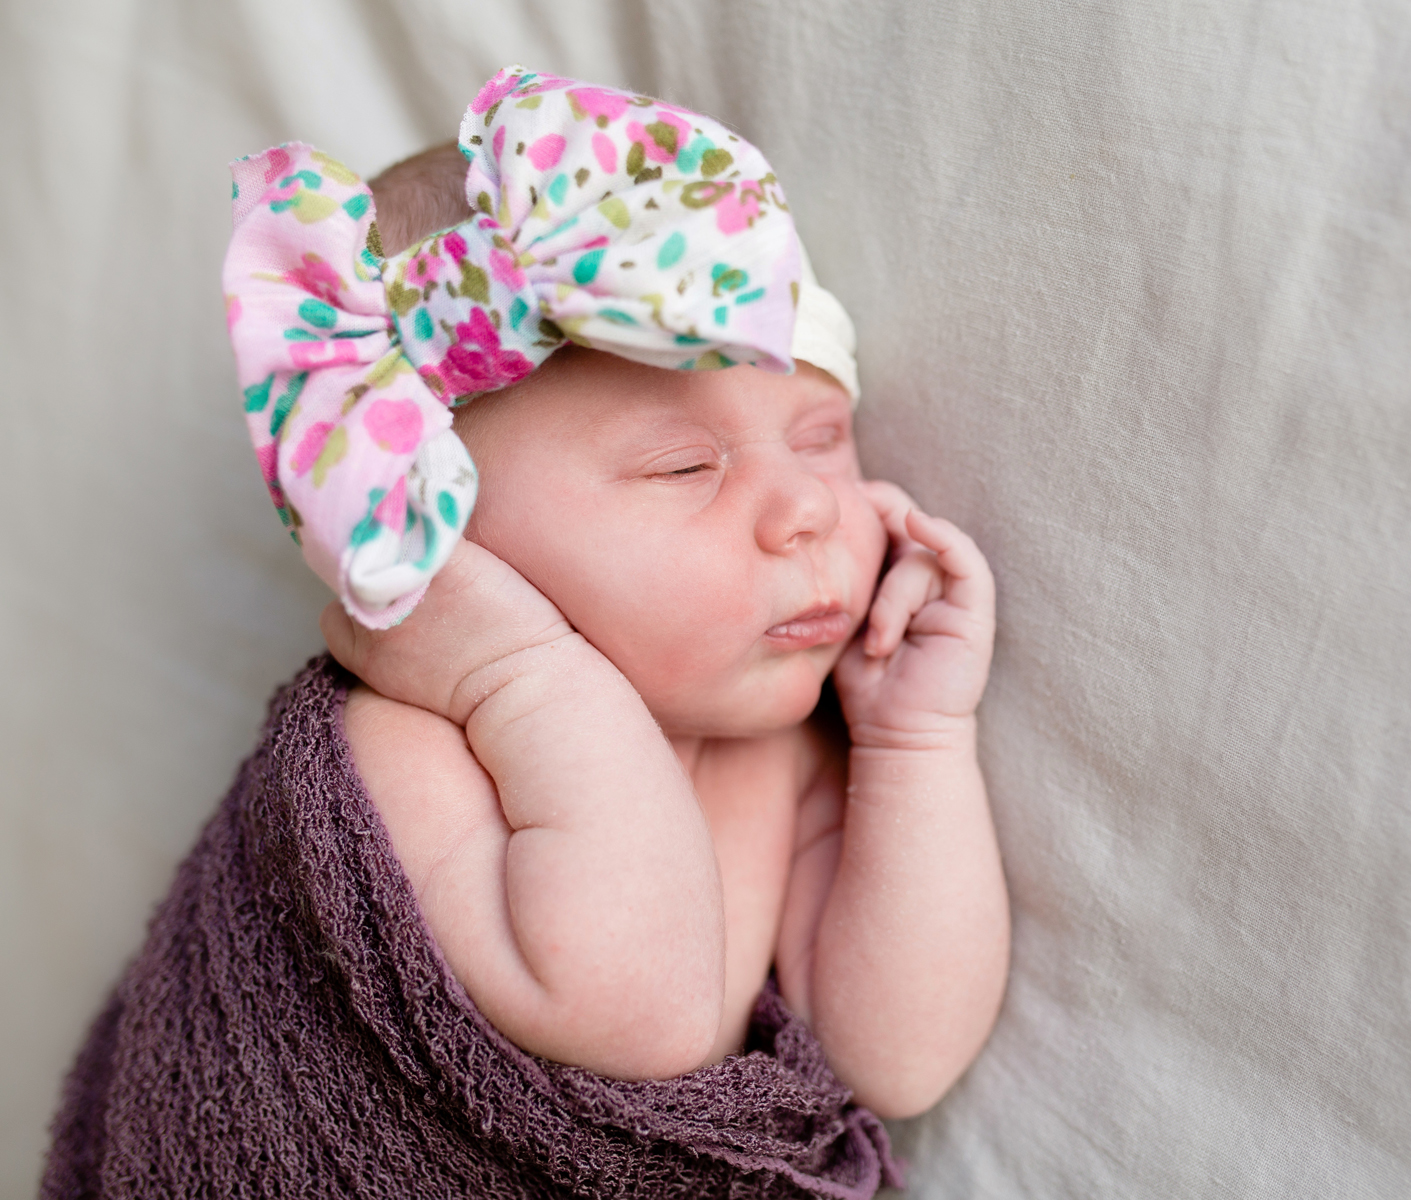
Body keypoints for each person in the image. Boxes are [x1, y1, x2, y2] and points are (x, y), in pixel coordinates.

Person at [43, 66, 1007, 1199]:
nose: (806, 509)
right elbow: (640, 1010)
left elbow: (895, 1058)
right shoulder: (407, 748)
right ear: (444, 522)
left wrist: (914, 745)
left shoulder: (786, 761)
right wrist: (517, 670)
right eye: (684, 466)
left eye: (819, 436)